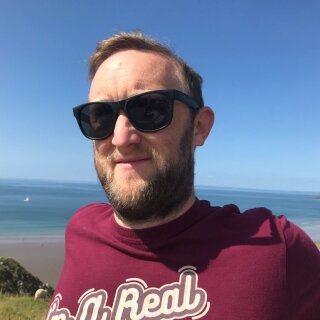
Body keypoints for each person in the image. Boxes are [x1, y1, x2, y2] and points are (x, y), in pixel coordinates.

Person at [47, 31, 320, 320]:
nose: (119, 138)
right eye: (99, 116)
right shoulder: (81, 228)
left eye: (149, 109)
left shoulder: (278, 248)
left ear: (199, 127)